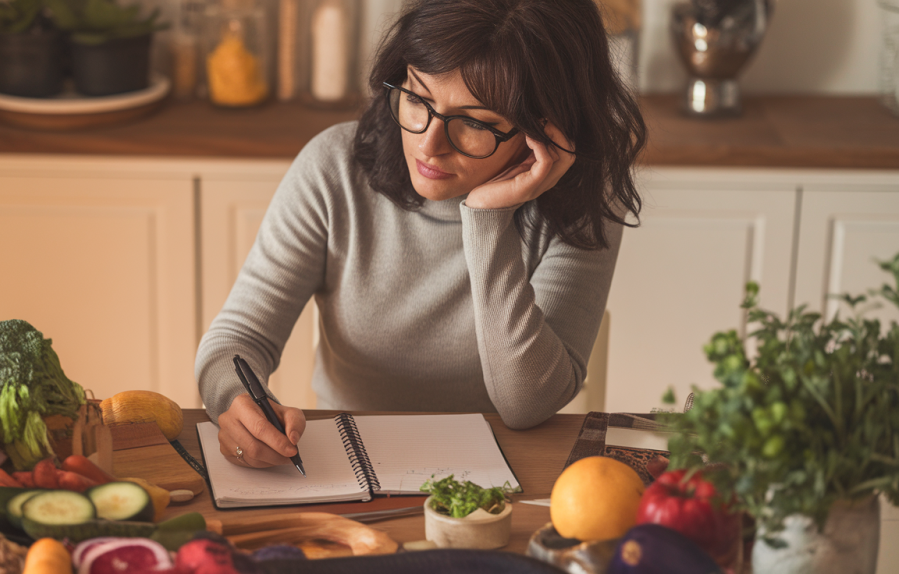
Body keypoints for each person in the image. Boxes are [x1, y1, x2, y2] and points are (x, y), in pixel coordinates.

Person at [195, 0, 647, 470]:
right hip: (348, 467)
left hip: (506, 478)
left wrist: (488, 218)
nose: (429, 144)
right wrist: (234, 402)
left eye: (475, 123)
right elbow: (237, 338)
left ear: (548, 129)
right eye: (417, 98)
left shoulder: (584, 203)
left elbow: (527, 404)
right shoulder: (333, 168)